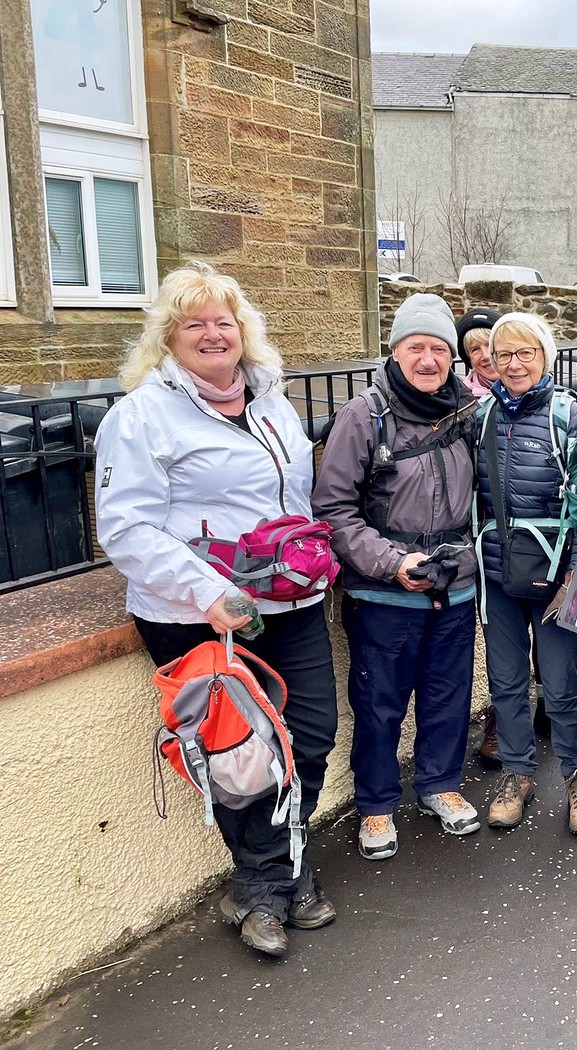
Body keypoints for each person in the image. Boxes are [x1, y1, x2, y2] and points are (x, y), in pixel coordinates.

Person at [96, 260, 338, 959]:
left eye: (222, 321)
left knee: (311, 736)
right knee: (239, 755)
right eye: (193, 322)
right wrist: (209, 591)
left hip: (286, 607)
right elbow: (126, 529)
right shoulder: (141, 416)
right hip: (195, 615)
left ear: (244, 332)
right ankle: (269, 886)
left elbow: (291, 501)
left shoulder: (270, 402)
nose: (211, 333)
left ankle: (274, 872)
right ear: (167, 339)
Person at [314, 293, 480, 863]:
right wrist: (391, 563)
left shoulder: (466, 412)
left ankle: (439, 785)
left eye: (439, 348)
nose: (429, 359)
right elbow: (333, 508)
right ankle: (377, 802)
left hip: (454, 585)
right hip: (384, 591)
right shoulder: (365, 416)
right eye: (417, 347)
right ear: (395, 350)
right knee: (380, 702)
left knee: (448, 695)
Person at [474, 312, 577, 834]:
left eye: (526, 353)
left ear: (545, 356)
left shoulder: (567, 414)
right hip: (497, 572)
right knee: (505, 683)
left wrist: (574, 575)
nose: (515, 363)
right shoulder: (479, 415)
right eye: (505, 354)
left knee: (562, 682)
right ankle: (517, 774)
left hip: (553, 573)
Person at [454, 306, 505, 767]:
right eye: (473, 348)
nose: (485, 354)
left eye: (490, 343)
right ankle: (500, 720)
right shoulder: (459, 403)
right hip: (481, 532)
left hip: (535, 534)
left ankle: (547, 700)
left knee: (549, 640)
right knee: (499, 639)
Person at [457, 306, 504, 401]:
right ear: (468, 358)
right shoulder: (460, 401)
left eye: (490, 345)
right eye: (475, 349)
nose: (486, 356)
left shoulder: (534, 390)